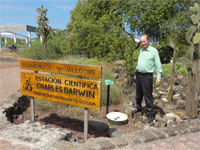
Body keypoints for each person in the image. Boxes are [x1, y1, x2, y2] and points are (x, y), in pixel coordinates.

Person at [131, 34, 162, 123]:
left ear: (148, 41)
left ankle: (150, 112)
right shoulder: (141, 50)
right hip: (139, 75)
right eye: (141, 42)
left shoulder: (154, 51)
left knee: (147, 94)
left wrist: (158, 77)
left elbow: (158, 64)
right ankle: (139, 108)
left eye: (144, 41)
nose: (143, 43)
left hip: (147, 76)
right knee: (139, 93)